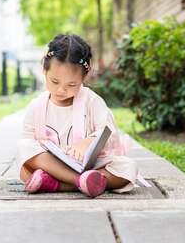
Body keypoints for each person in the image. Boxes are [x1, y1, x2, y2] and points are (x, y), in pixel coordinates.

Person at [16, 33, 138, 198]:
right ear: (44, 70)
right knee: (23, 149)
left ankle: (58, 185)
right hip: (51, 167)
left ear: (84, 77)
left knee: (128, 167)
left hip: (91, 166)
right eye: (55, 81)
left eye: (71, 84)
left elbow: (109, 133)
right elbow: (28, 140)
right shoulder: (36, 106)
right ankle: (80, 182)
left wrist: (87, 143)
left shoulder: (92, 101)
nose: (61, 90)